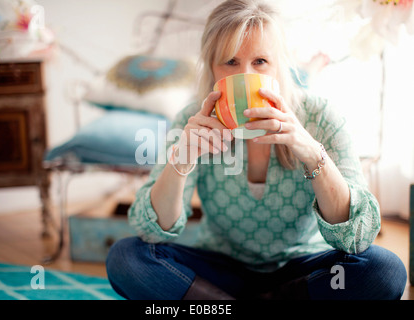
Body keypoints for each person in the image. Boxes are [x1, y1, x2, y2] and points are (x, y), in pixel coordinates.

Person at [106, 0, 407, 300]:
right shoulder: (192, 121)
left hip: (304, 271)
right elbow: (153, 232)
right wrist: (180, 160)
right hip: (220, 271)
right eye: (231, 62)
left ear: (280, 65)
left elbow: (357, 236)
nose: (245, 74)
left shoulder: (320, 117)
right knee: (127, 257)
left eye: (260, 61)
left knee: (384, 269)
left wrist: (311, 152)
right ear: (212, 68)